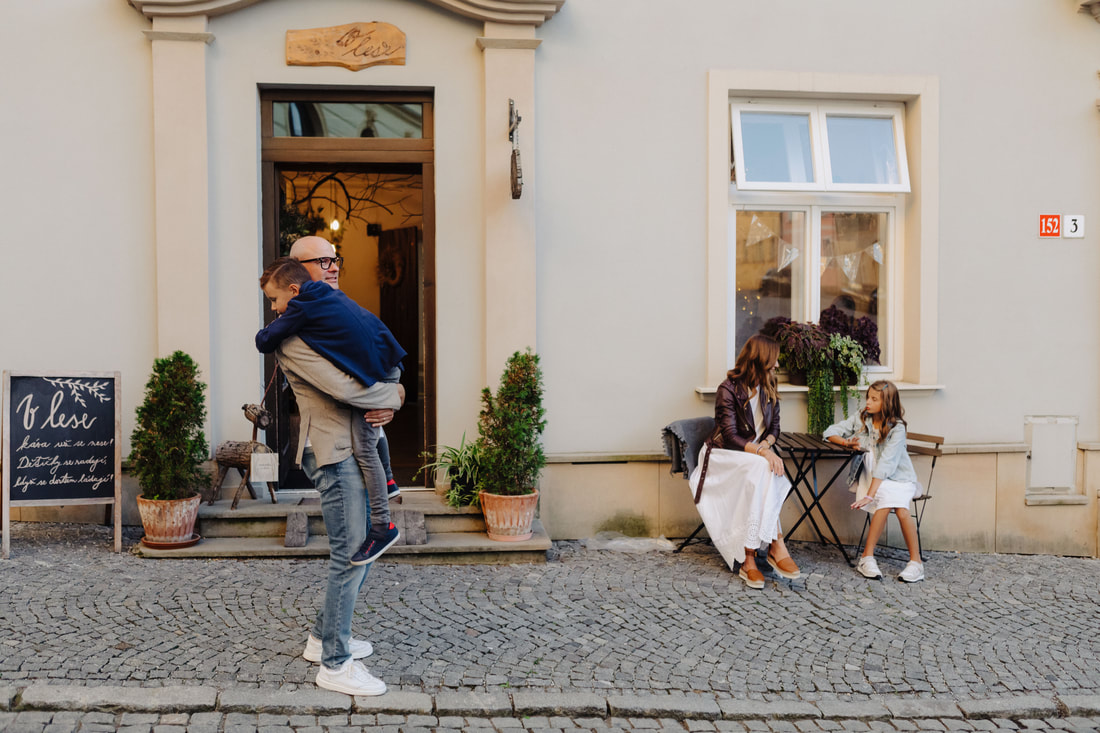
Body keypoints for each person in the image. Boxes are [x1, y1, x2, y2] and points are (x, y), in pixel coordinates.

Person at [268, 306, 404, 696]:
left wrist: (394, 395)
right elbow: (345, 388)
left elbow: (380, 368)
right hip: (332, 450)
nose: (332, 265)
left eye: (335, 258)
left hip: (353, 445)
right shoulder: (294, 337)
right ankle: (335, 663)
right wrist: (393, 395)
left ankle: (320, 637)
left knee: (363, 553)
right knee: (351, 556)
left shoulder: (334, 317)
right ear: (298, 278)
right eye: (322, 260)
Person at [257, 257, 405, 564]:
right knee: (371, 431)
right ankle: (388, 480)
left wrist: (393, 396)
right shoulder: (333, 297)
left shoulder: (302, 306)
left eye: (274, 300)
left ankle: (382, 526)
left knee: (365, 448)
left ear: (295, 290)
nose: (273, 308)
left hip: (380, 379)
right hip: (389, 366)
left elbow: (266, 340)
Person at [688, 333, 800, 589]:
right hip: (722, 456)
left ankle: (750, 557)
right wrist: (762, 453)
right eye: (774, 361)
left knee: (763, 469)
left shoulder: (770, 385)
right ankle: (776, 544)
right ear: (759, 360)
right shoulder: (728, 389)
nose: (778, 366)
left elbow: (775, 428)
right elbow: (730, 436)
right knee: (764, 466)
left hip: (753, 457)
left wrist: (766, 445)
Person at [824, 380, 924, 583]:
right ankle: (914, 562)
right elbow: (829, 432)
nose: (867, 402)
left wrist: (870, 494)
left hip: (899, 479)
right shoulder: (862, 419)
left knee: (893, 504)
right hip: (870, 477)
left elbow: (886, 465)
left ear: (886, 402)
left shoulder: (897, 429)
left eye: (874, 399)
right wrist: (846, 442)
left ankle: (875, 558)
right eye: (867, 397)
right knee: (894, 504)